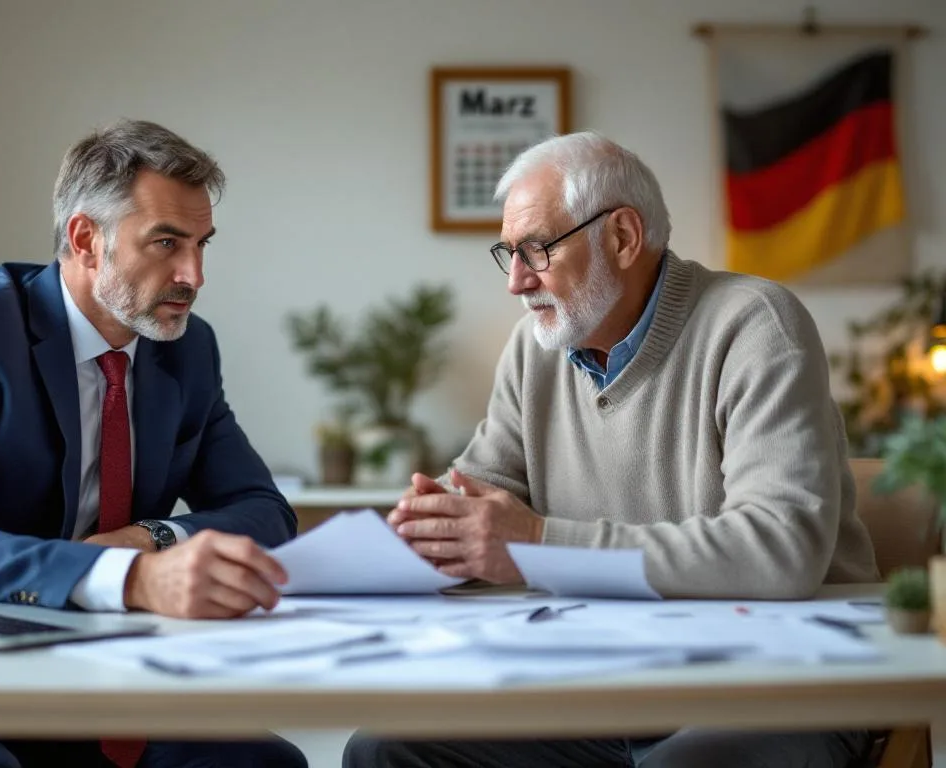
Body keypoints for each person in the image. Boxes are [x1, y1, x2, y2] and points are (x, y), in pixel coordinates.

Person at [343, 132, 879, 768]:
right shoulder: (532, 349)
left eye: (536, 250)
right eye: (508, 254)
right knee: (386, 749)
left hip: (777, 682)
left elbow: (779, 550)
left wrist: (537, 541)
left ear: (623, 237)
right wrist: (435, 528)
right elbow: (485, 492)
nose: (516, 282)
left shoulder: (755, 325)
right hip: (605, 682)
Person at [0, 119, 307, 768]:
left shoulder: (187, 351)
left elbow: (266, 512)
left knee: (268, 764)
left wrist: (149, 539)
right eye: (166, 243)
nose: (194, 275)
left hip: (83, 678)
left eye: (202, 244)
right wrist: (131, 579)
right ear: (85, 239)